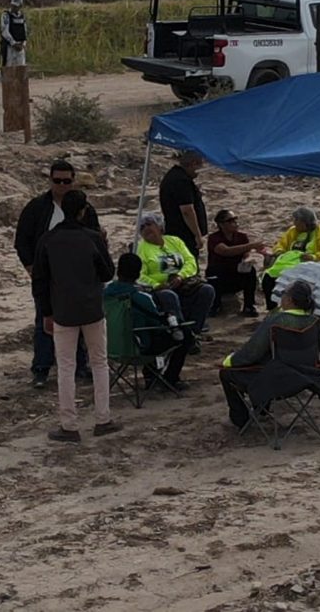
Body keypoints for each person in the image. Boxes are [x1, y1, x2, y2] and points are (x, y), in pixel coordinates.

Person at [31, 190, 118, 442]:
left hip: (63, 311)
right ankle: (103, 418)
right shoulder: (92, 238)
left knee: (66, 367)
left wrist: (46, 312)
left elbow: (40, 281)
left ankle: (69, 425)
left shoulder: (48, 240)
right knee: (99, 362)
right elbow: (106, 273)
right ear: (83, 210)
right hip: (91, 308)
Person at [14, 160, 101, 388]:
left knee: (80, 322)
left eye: (67, 181)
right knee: (44, 319)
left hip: (78, 276)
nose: (62, 185)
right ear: (50, 180)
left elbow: (96, 240)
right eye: (57, 181)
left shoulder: (85, 208)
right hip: (47, 275)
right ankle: (41, 369)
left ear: (73, 181)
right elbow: (22, 240)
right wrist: (32, 270)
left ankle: (80, 366)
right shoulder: (36, 207)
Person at [219, 280, 320, 428]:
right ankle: (262, 410)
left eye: (283, 293)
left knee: (227, 373)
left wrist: (230, 360)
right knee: (269, 360)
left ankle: (239, 419)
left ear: (289, 300)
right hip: (306, 376)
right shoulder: (315, 322)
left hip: (277, 379)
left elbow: (252, 352)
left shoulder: (276, 321)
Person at [103, 252, 191, 390]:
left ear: (118, 271)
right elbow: (156, 325)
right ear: (138, 275)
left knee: (148, 332)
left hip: (109, 347)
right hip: (137, 349)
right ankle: (168, 378)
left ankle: (152, 376)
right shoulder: (141, 298)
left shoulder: (105, 295)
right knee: (183, 335)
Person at [136, 212, 216, 334]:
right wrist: (156, 284)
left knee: (207, 290)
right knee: (169, 295)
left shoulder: (174, 241)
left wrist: (180, 276)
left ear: (160, 227)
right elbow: (140, 275)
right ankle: (184, 333)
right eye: (142, 227)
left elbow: (190, 262)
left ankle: (194, 330)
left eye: (148, 224)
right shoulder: (141, 248)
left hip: (182, 283)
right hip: (159, 289)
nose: (146, 228)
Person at [261, 206, 320, 311]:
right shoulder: (292, 231)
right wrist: (279, 251)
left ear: (305, 222)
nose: (294, 223)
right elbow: (280, 244)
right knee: (267, 279)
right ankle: (272, 309)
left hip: (310, 267)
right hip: (289, 265)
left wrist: (314, 257)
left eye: (296, 220)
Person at [206, 208, 264, 318]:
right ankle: (215, 305)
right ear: (221, 224)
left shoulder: (242, 237)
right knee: (214, 271)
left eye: (235, 220)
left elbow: (246, 255)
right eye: (230, 221)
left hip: (236, 273)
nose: (235, 223)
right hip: (219, 275)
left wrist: (248, 260)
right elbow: (225, 251)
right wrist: (251, 246)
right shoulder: (214, 238)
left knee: (250, 271)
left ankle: (249, 305)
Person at [159, 151, 207, 262]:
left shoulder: (173, 176)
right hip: (183, 234)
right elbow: (187, 210)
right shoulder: (181, 181)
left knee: (172, 268)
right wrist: (197, 235)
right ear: (193, 164)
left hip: (173, 232)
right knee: (186, 267)